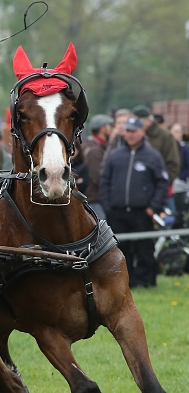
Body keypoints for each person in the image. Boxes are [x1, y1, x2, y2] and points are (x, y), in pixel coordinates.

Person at [100, 117, 169, 288]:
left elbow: (162, 183)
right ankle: (125, 282)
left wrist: (154, 208)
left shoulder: (152, 156)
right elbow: (105, 181)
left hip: (142, 212)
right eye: (127, 131)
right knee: (120, 250)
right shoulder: (115, 156)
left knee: (144, 248)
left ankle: (146, 281)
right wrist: (108, 207)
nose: (130, 135)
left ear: (141, 132)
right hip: (118, 212)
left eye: (133, 131)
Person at [133, 105, 180, 183]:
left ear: (148, 121)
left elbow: (173, 164)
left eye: (139, 122)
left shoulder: (164, 136)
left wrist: (162, 184)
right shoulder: (131, 135)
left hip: (156, 185)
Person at [81, 114, 114, 219]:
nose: (112, 128)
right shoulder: (94, 150)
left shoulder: (94, 145)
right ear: (103, 128)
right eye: (109, 125)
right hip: (95, 199)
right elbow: (97, 176)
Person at [169, 123, 189, 228]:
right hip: (169, 183)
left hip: (179, 184)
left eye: (178, 131)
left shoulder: (184, 148)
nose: (176, 134)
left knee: (179, 211)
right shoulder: (168, 148)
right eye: (174, 131)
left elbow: (187, 166)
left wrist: (179, 178)